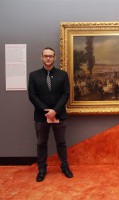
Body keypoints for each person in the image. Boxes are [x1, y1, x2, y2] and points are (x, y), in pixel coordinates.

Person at [28, 47, 73, 182]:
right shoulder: (34, 75)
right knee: (41, 143)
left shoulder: (63, 75)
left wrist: (55, 111)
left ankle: (64, 167)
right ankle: (42, 169)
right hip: (41, 117)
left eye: (51, 56)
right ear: (41, 57)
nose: (48, 58)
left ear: (54, 58)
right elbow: (32, 96)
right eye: (46, 56)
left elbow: (66, 94)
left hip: (59, 115)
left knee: (61, 142)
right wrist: (47, 111)